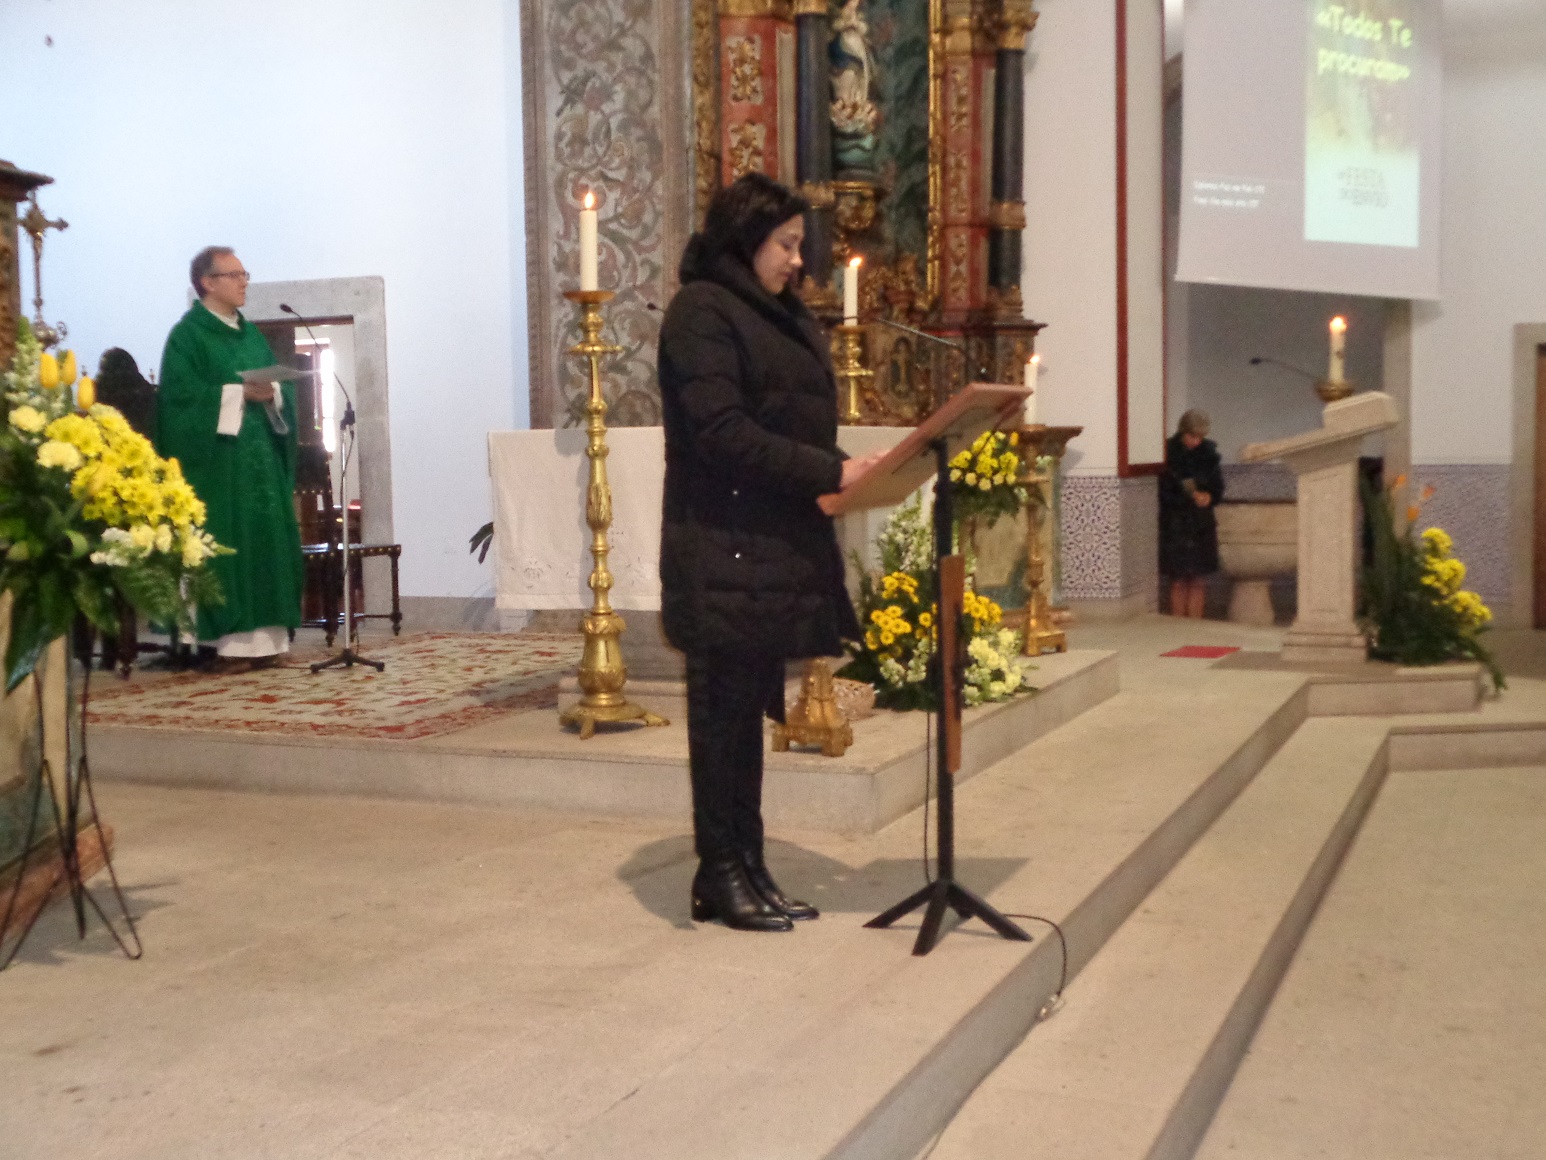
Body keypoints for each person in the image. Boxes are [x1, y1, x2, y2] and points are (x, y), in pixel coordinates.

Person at [657, 174, 880, 932]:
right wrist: (829, 473)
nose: (797, 259)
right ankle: (720, 870)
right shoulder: (701, 312)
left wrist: (845, 470)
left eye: (798, 244)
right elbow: (721, 432)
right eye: (785, 244)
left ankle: (745, 866)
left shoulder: (770, 313)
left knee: (743, 719)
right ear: (745, 239)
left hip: (765, 546)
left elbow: (790, 424)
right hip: (722, 547)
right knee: (721, 718)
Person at [155, 246, 304, 672]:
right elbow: (179, 403)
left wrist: (275, 393)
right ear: (207, 282)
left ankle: (269, 642)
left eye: (244, 274)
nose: (244, 282)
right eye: (234, 275)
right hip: (218, 468)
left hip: (261, 463)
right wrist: (237, 393)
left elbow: (279, 388)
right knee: (229, 545)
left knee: (267, 544)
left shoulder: (251, 334)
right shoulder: (187, 336)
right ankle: (228, 644)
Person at [1159, 408, 1225, 618]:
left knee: (1198, 579)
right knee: (1178, 579)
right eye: (1192, 436)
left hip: (1201, 524)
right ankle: (1178, 624)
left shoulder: (1209, 454)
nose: (1196, 441)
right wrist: (1187, 496)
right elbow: (1162, 491)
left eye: (1200, 437)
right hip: (1176, 523)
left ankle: (1196, 624)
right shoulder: (1168, 453)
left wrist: (1209, 496)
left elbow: (1218, 486)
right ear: (1182, 432)